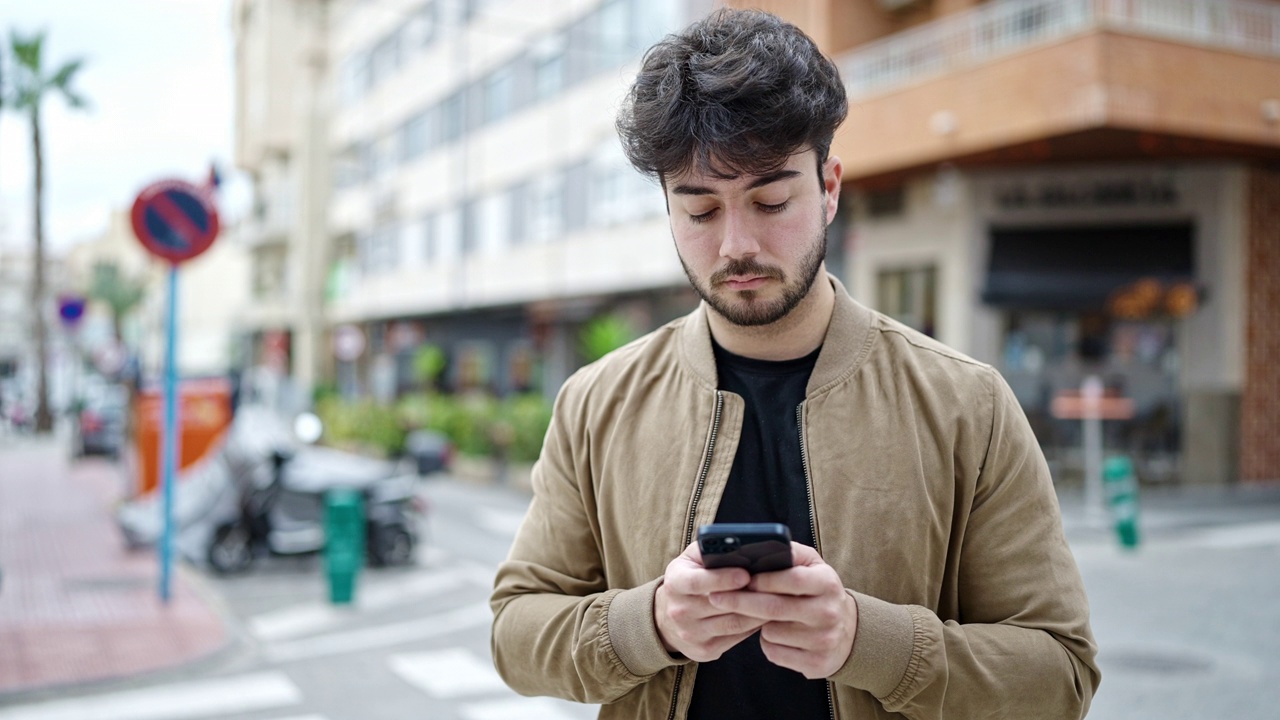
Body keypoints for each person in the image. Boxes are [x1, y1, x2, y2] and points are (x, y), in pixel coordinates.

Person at [491, 8, 1099, 719]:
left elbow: (1060, 675)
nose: (736, 246)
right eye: (699, 212)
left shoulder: (967, 404)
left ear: (830, 186)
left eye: (771, 200)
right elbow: (514, 634)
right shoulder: (597, 401)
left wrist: (864, 639)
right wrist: (650, 623)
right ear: (666, 208)